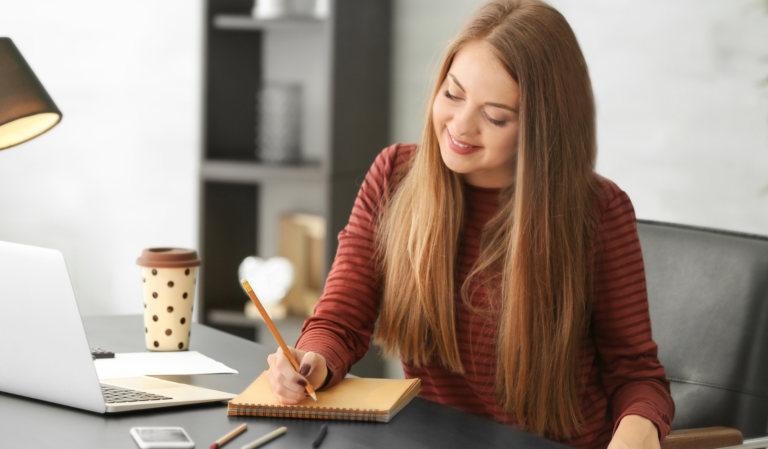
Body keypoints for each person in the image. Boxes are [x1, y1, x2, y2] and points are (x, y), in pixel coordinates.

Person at [262, 0, 674, 448]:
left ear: (542, 130)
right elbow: (341, 321)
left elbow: (635, 375)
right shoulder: (395, 175)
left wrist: (638, 431)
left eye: (495, 116)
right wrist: (312, 359)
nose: (459, 125)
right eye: (452, 94)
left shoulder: (597, 211)